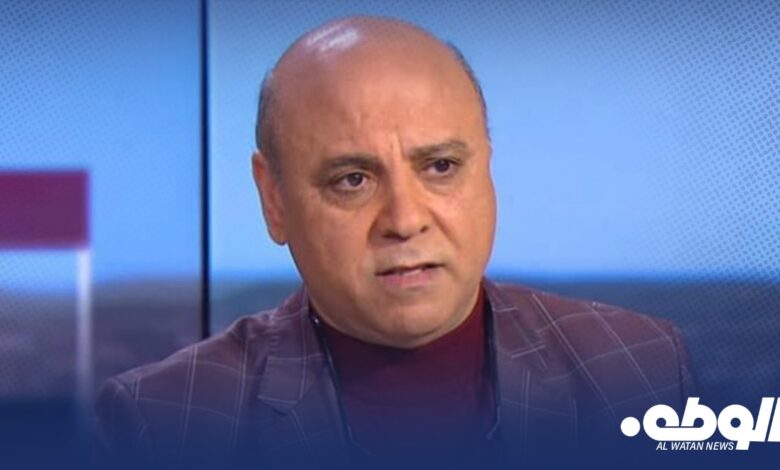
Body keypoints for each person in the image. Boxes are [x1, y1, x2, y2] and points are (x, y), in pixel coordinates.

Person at [95, 16, 695, 469]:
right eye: (352, 180)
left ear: (487, 168)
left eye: (440, 167)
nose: (405, 221)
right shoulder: (163, 419)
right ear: (273, 199)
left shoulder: (640, 365)